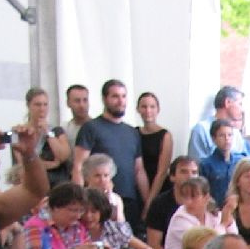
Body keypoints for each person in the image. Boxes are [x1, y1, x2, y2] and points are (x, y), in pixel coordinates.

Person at [72, 80, 147, 231]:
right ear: (104, 99)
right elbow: (79, 166)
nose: (120, 101)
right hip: (99, 202)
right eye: (115, 96)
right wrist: (78, 200)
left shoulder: (132, 132)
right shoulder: (91, 128)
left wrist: (148, 203)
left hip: (129, 201)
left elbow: (139, 170)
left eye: (123, 96)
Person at [161, 176, 227, 249]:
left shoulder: (216, 215)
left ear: (206, 197)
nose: (188, 202)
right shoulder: (180, 219)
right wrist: (223, 225)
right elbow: (206, 246)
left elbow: (233, 240)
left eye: (193, 196)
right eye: (185, 197)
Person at [144, 156, 199, 249]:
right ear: (172, 177)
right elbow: (154, 245)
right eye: (184, 172)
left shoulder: (205, 203)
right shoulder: (159, 204)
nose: (190, 176)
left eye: (194, 172)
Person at [24, 87, 71, 190]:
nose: (42, 109)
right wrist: (52, 164)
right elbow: (23, 165)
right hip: (31, 185)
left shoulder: (56, 131)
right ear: (28, 106)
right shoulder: (22, 133)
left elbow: (63, 156)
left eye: (45, 104)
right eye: (38, 105)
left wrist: (48, 133)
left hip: (56, 185)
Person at [186, 87, 249, 162]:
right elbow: (196, 164)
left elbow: (246, 162)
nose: (242, 110)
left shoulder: (236, 132)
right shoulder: (201, 130)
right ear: (227, 102)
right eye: (240, 104)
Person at [136, 92, 171, 203]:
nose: (148, 111)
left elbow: (162, 172)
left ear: (158, 109)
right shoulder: (133, 132)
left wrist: (150, 202)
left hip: (159, 188)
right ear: (138, 109)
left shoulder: (165, 135)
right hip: (137, 187)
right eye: (144, 107)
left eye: (152, 107)